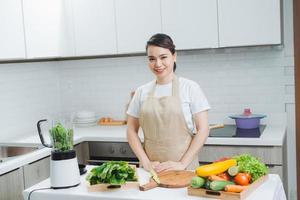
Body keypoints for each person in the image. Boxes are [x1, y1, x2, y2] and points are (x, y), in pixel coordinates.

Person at [126, 33, 210, 173]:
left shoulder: (190, 87)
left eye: (163, 57)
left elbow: (203, 129)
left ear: (174, 56)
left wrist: (182, 164)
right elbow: (130, 130)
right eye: (152, 59)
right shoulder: (141, 92)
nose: (158, 64)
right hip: (151, 171)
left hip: (184, 170)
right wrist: (145, 162)